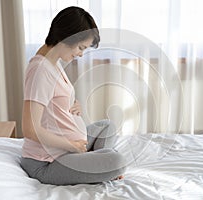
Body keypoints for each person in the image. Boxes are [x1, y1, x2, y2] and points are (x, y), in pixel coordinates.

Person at [20, 6, 126, 186]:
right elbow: (30, 129)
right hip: (48, 161)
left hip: (66, 148)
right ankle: (96, 162)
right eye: (80, 47)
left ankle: (92, 161)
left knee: (108, 126)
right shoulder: (41, 70)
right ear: (65, 37)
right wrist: (72, 146)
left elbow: (52, 100)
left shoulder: (52, 60)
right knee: (117, 162)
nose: (80, 54)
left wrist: (72, 104)